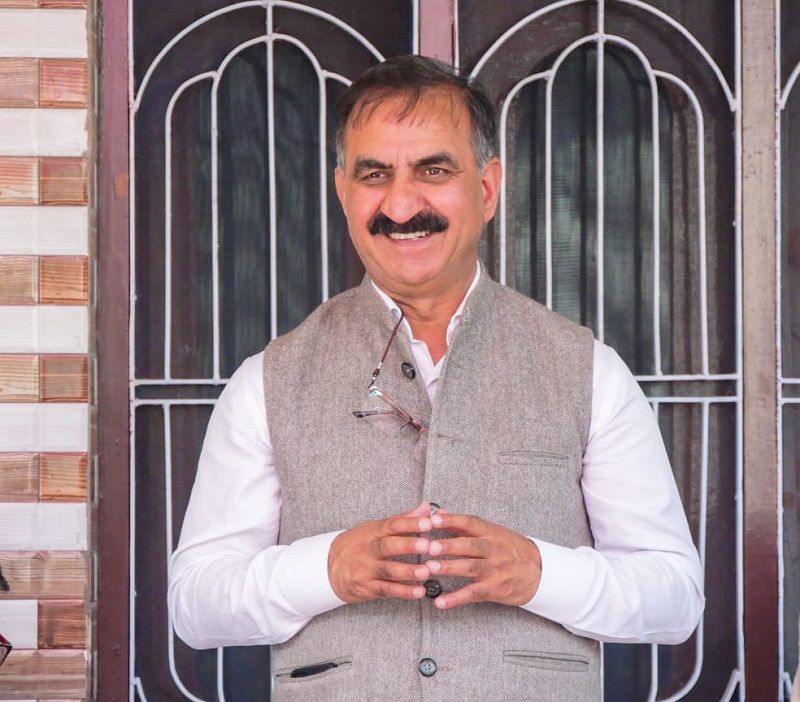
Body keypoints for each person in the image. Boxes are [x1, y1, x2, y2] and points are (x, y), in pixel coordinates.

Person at [169, 55, 704, 701]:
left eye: (433, 170)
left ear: (487, 189)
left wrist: (538, 573)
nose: (401, 205)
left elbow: (675, 599)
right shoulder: (268, 380)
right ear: (343, 192)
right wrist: (326, 569)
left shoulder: (588, 371)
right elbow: (195, 605)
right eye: (374, 174)